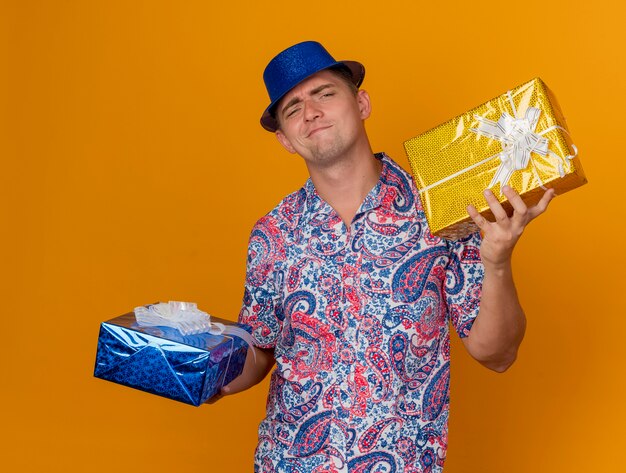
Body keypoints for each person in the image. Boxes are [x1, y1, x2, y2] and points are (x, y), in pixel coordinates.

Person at [209, 41, 555, 473]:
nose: (311, 112)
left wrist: (498, 261)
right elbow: (259, 354)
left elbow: (497, 355)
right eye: (293, 108)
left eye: (325, 93)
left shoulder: (441, 210)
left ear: (362, 102)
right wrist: (206, 371)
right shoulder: (271, 234)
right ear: (284, 139)